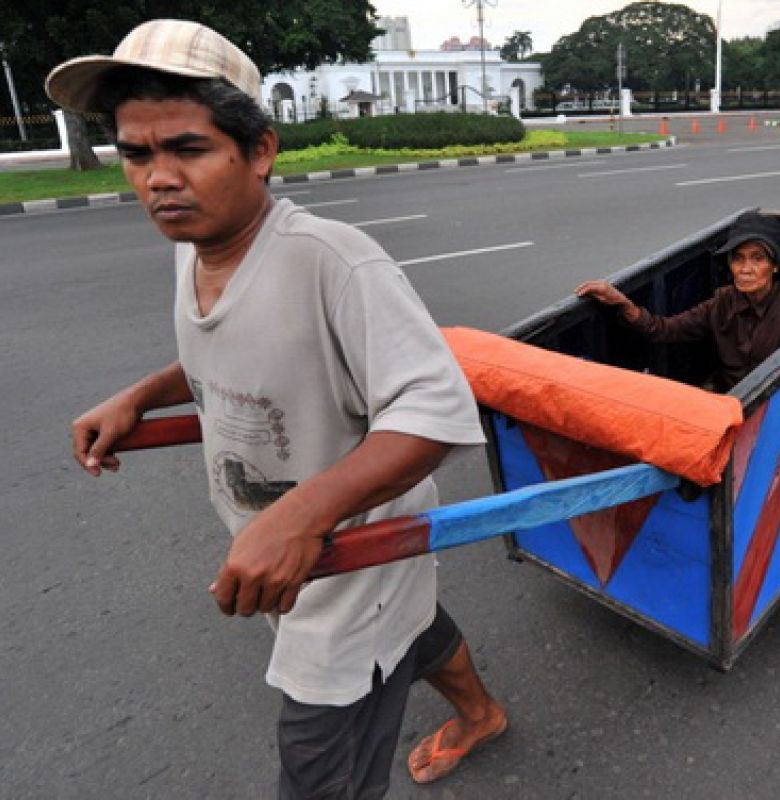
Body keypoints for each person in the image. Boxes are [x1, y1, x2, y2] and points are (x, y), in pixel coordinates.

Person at [50, 19, 505, 796]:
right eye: (137, 154)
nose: (158, 178)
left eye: (187, 149)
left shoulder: (332, 262)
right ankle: (481, 713)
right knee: (412, 630)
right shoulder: (191, 250)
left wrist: (299, 518)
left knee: (318, 768)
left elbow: (435, 411)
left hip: (351, 552)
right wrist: (141, 397)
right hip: (298, 547)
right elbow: (227, 353)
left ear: (259, 149)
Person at [575, 211, 780, 392]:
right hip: (726, 401)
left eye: (757, 259)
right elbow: (665, 329)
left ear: (774, 267)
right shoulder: (722, 302)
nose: (746, 269)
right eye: (738, 259)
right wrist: (624, 303)